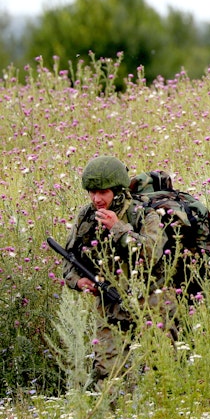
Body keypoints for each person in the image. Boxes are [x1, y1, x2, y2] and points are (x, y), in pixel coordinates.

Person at [60, 156, 170, 382]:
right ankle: (113, 416)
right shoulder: (87, 216)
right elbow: (69, 257)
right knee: (106, 373)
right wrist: (78, 281)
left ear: (118, 191)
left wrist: (118, 228)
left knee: (162, 369)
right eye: (92, 192)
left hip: (150, 305)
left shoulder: (144, 214)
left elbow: (152, 254)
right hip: (109, 306)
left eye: (103, 192)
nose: (96, 199)